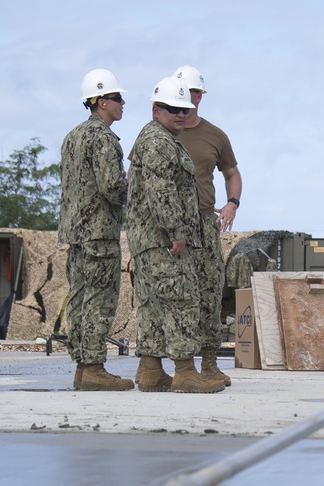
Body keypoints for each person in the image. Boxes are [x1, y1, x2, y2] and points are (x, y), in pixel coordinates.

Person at [126, 76, 226, 394]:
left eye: (184, 109)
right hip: (162, 240)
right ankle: (184, 371)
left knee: (154, 305)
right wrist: (177, 232)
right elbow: (161, 191)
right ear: (156, 110)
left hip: (151, 239)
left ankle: (152, 371)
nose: (180, 115)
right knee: (181, 300)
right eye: (172, 109)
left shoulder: (162, 138)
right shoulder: (157, 141)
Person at [58, 69, 133, 391]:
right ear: (101, 101)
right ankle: (93, 368)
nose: (122, 103)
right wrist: (136, 187)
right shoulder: (103, 138)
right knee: (99, 301)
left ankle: (82, 366)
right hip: (98, 232)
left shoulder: (72, 136)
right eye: (117, 98)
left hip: (74, 232)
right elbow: (112, 189)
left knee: (79, 298)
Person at [173, 65, 243, 387]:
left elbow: (232, 173)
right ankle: (177, 366)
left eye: (196, 92)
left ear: (201, 96)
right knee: (175, 294)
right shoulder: (158, 133)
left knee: (211, 293)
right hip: (171, 224)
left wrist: (232, 203)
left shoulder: (216, 135)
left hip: (204, 222)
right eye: (186, 91)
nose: (191, 97)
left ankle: (210, 364)